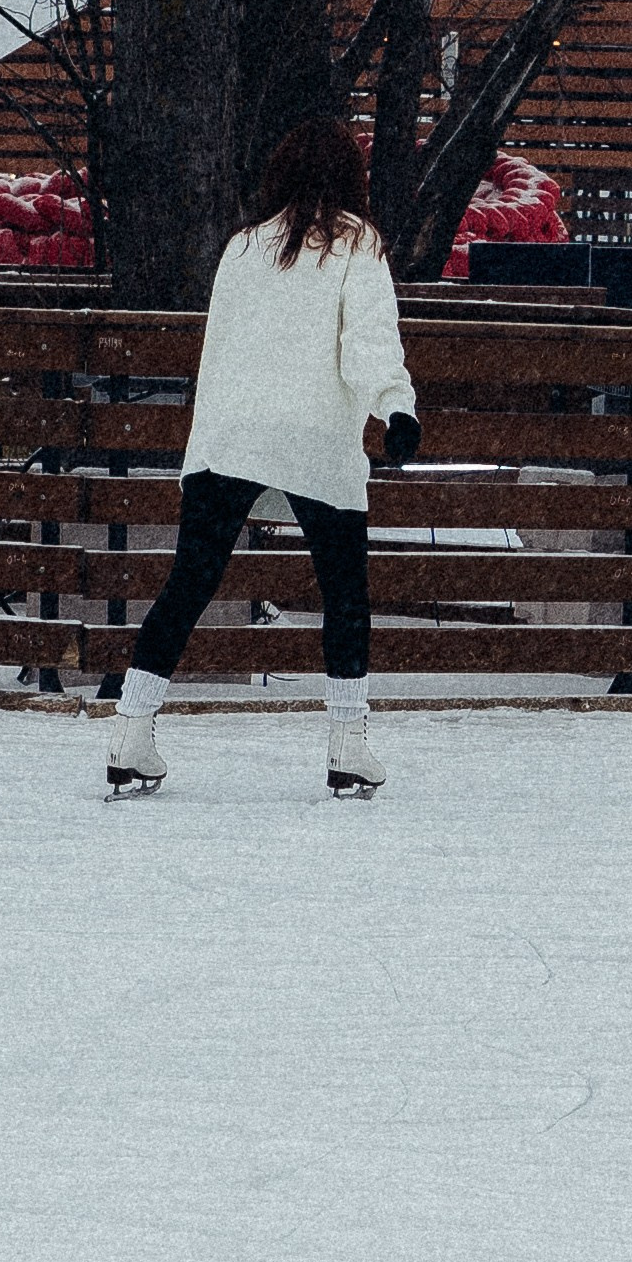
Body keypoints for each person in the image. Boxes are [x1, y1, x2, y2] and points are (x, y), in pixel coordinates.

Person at [101, 119, 423, 800]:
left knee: (188, 583)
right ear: (350, 178)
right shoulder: (355, 243)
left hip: (231, 437)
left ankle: (130, 730)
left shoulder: (242, 247)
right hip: (311, 435)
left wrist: (209, 441)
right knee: (343, 595)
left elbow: (219, 355)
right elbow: (367, 341)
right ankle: (347, 746)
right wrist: (395, 408)